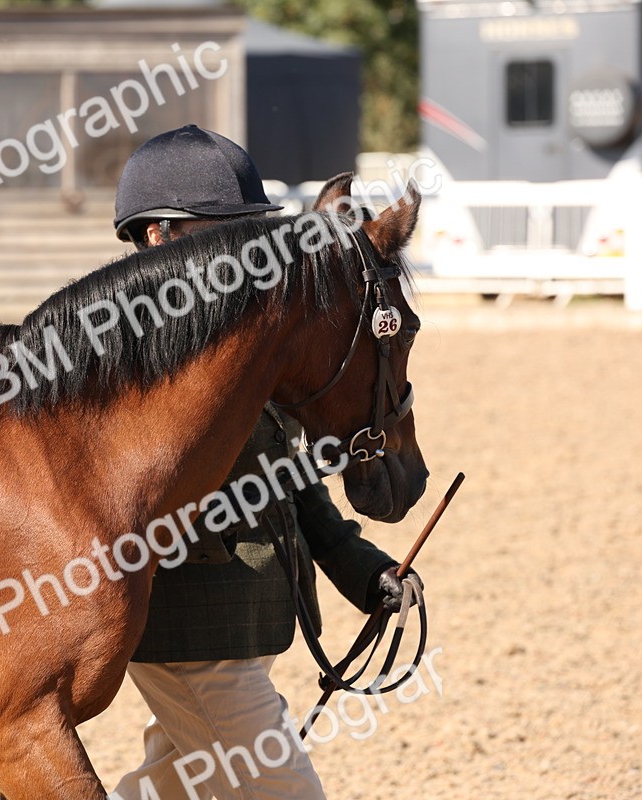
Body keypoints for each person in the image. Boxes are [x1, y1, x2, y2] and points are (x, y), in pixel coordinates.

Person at [109, 125, 416, 800]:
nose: (248, 252)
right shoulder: (126, 357)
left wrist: (366, 574)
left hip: (242, 629)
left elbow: (295, 486)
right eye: (228, 234)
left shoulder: (246, 347)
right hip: (192, 634)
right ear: (159, 236)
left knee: (172, 788)